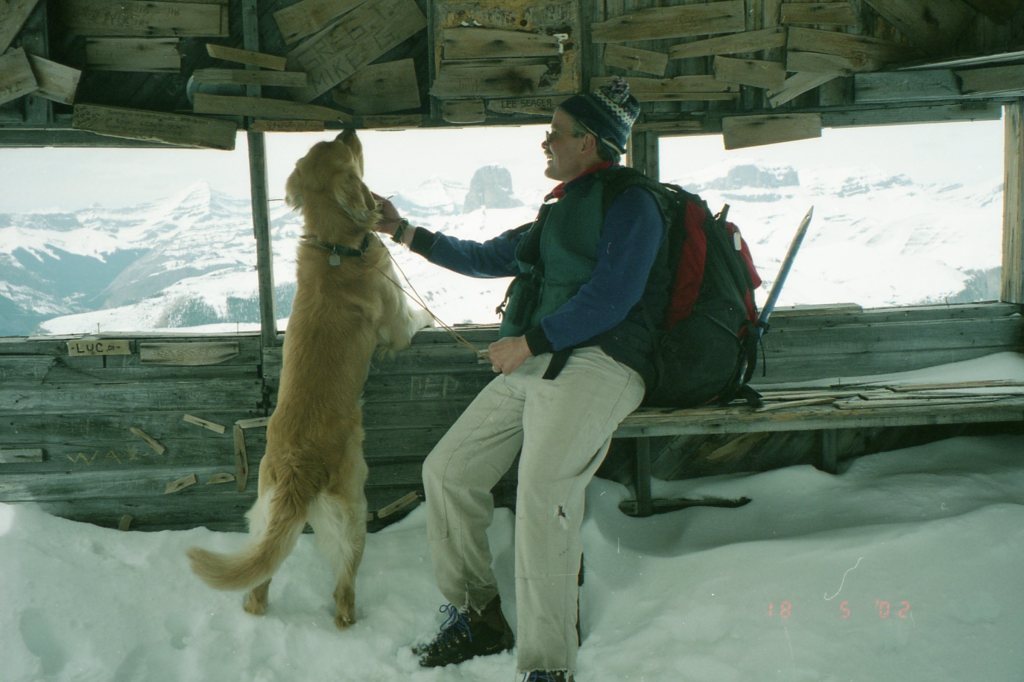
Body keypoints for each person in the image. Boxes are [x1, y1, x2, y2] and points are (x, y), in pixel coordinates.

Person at [373, 77, 668, 682]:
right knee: (448, 472)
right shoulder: (559, 209)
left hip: (603, 362)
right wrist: (402, 231)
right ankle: (478, 615)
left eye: (556, 133)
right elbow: (485, 256)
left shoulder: (633, 202)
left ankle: (547, 664)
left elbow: (615, 295)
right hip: (539, 358)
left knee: (542, 495)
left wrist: (530, 341)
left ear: (589, 141)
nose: (545, 142)